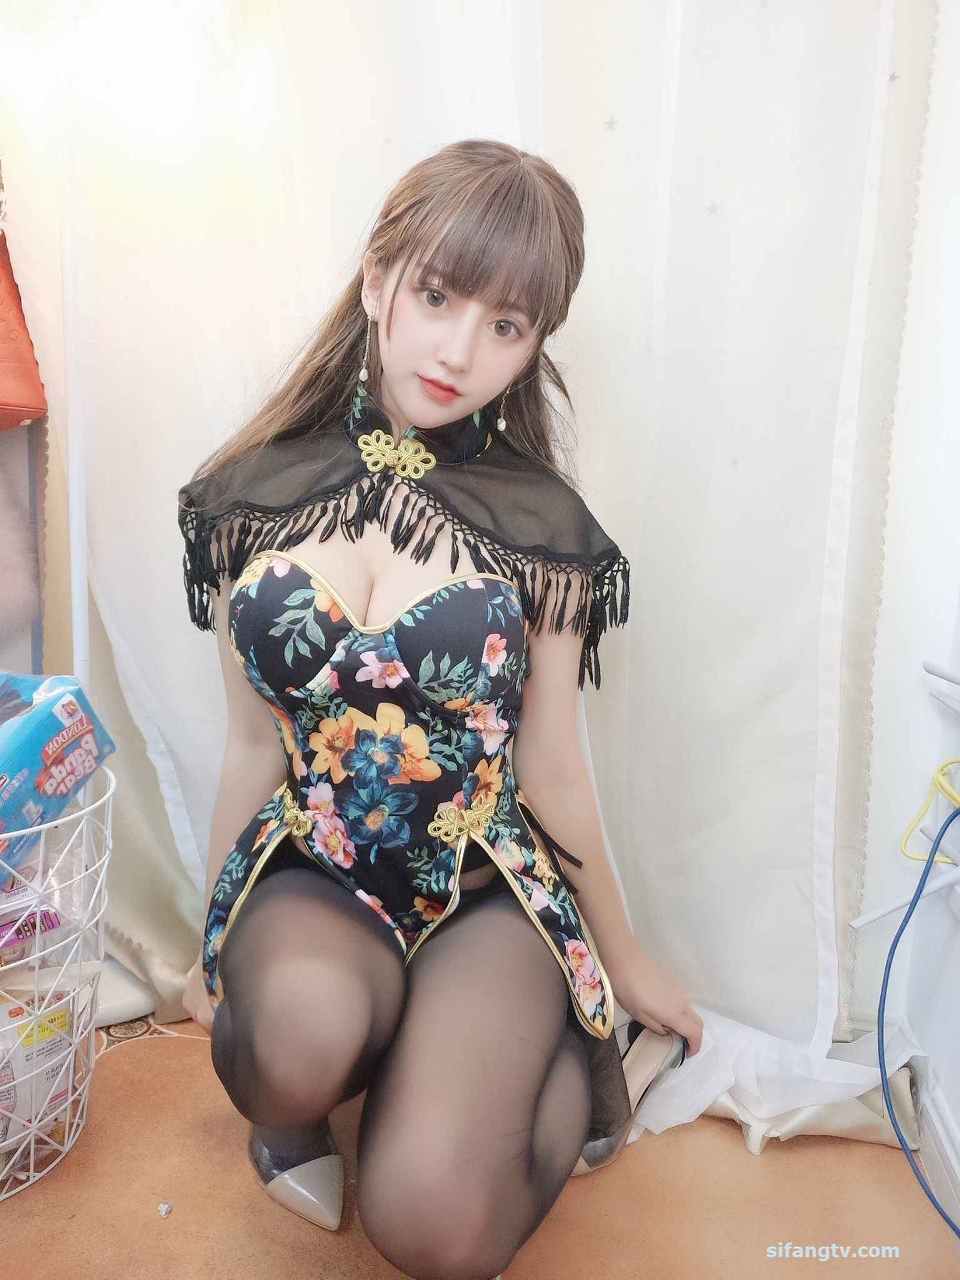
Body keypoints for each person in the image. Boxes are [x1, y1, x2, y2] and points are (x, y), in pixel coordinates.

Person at [177, 138, 703, 1279]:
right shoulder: (250, 495)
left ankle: (563, 1064)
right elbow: (248, 745)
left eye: (505, 325)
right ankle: (305, 1097)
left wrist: (624, 958)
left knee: (431, 1225)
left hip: (487, 893)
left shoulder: (543, 528)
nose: (460, 350)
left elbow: (554, 768)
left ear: (534, 344)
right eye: (436, 297)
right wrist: (207, 940)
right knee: (289, 1041)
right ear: (378, 281)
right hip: (318, 872)